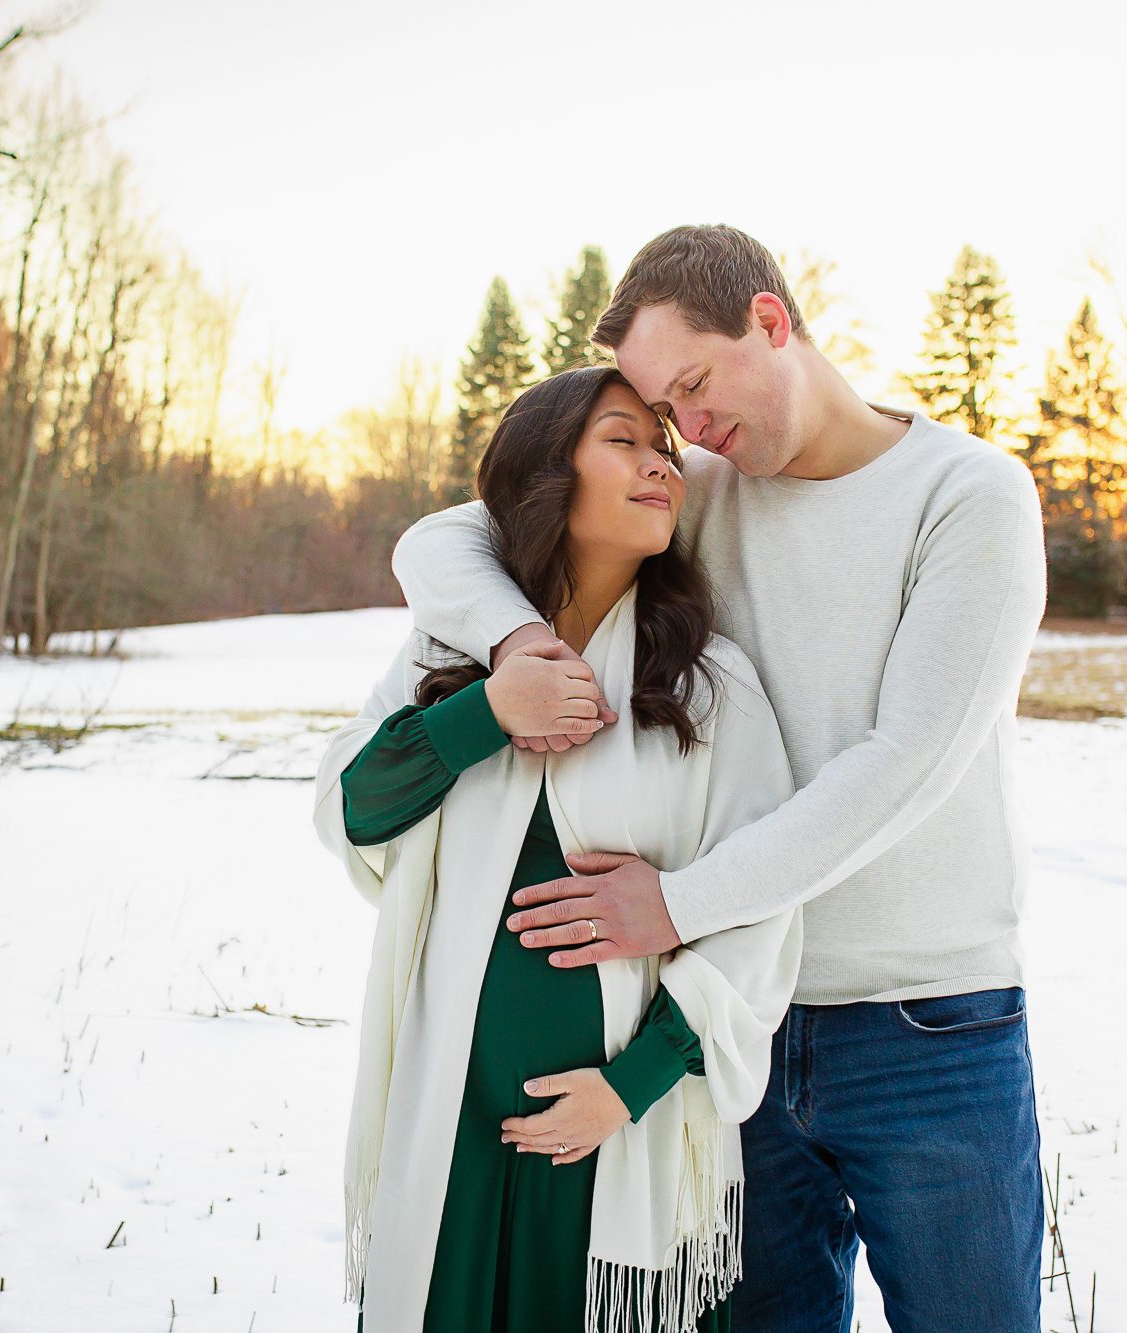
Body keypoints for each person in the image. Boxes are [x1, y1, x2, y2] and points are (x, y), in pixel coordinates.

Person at [391, 225, 1050, 1332]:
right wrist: (512, 642)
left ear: (769, 320)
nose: (687, 431)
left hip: (927, 1028)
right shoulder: (700, 482)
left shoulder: (967, 495)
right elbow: (447, 536)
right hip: (732, 1020)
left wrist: (675, 904)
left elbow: (902, 765)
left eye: (694, 386)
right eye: (662, 413)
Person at [311, 364, 803, 1333]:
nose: (660, 464)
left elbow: (760, 914)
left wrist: (627, 1089)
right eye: (623, 439)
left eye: (665, 448)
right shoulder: (443, 654)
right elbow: (352, 809)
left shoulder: (709, 686)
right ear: (550, 472)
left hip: (614, 1137)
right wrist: (485, 713)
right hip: (450, 1121)